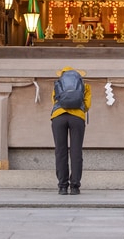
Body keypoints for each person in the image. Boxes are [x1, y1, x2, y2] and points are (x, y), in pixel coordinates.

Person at [51, 66, 91, 195]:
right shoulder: (85, 85)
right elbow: (87, 104)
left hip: (58, 117)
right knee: (76, 152)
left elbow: (54, 100)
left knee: (60, 151)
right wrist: (78, 110)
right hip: (77, 118)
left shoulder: (57, 84)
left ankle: (62, 186)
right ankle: (75, 187)